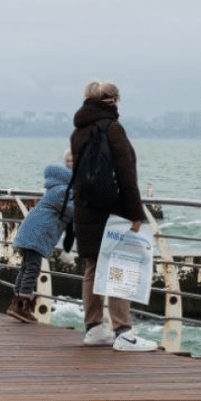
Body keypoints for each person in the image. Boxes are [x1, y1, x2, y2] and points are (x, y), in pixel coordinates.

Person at [68, 79, 158, 352]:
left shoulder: (78, 131)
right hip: (113, 211)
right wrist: (135, 214)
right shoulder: (113, 129)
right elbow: (126, 176)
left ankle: (94, 328)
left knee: (93, 266)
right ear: (114, 100)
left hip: (86, 208)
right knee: (121, 265)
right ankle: (124, 332)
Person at [6, 152, 74, 323]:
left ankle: (16, 303)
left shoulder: (55, 187)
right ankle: (22, 307)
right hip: (37, 235)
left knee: (26, 268)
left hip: (30, 232)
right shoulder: (63, 191)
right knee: (32, 270)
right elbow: (73, 210)